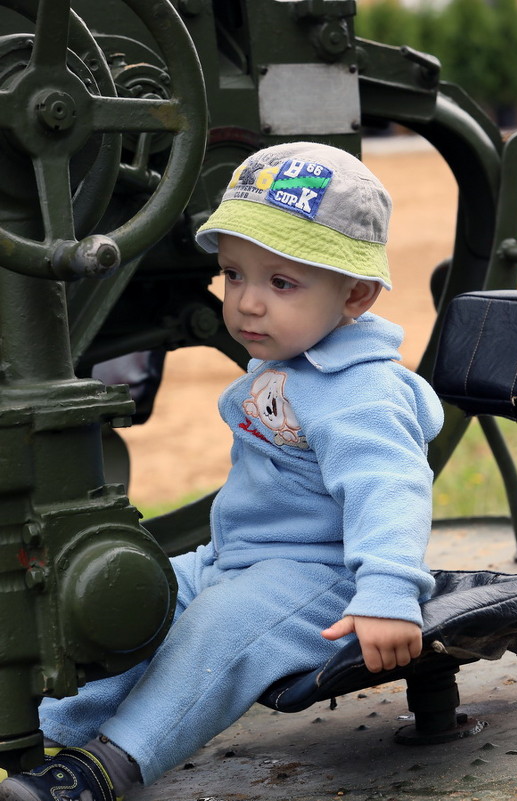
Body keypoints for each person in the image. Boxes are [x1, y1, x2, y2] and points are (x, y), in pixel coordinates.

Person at [0, 142, 443, 801]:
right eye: (234, 275)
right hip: (237, 557)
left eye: (279, 282)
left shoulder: (361, 393)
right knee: (130, 600)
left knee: (218, 629)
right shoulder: (293, 356)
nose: (247, 304)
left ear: (353, 294)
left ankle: (107, 766)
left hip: (324, 581)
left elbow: (391, 489)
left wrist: (385, 592)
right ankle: (57, 731)